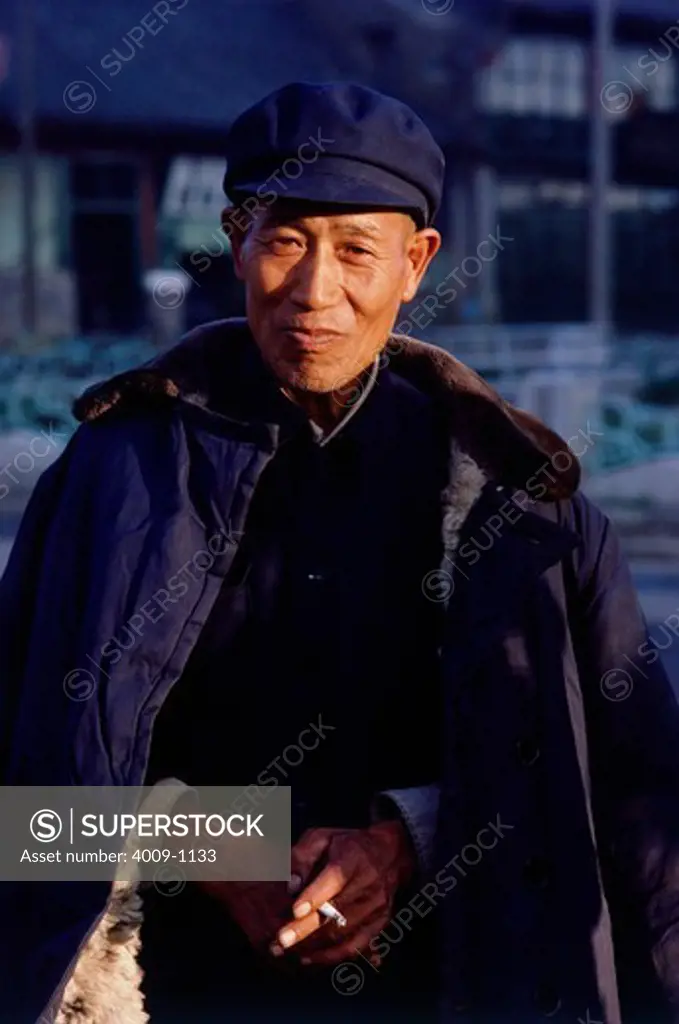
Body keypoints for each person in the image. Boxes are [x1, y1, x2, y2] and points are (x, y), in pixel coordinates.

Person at [1, 81, 678, 1024]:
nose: (316, 293)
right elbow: (20, 819)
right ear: (237, 243)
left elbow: (624, 812)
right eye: (283, 241)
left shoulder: (519, 505)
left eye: (358, 249)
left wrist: (403, 841)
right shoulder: (111, 483)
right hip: (176, 993)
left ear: (416, 264)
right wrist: (216, 847)